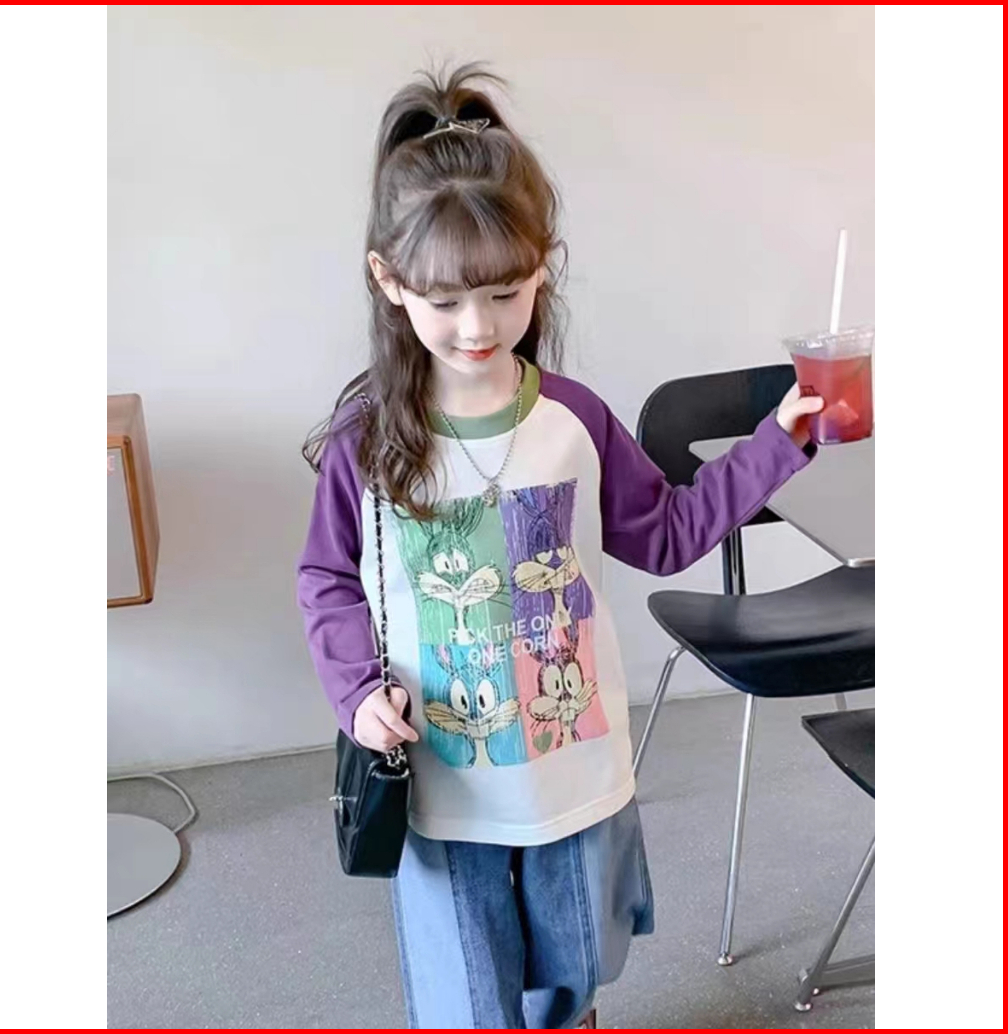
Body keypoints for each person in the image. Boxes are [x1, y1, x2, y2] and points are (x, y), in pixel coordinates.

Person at [297, 65, 822, 1030]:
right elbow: (329, 577)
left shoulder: (573, 418)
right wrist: (355, 692)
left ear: (545, 267)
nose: (477, 327)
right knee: (469, 997)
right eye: (445, 300)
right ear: (389, 280)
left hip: (572, 774)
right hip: (439, 783)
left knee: (574, 973)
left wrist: (777, 442)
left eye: (505, 293)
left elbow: (666, 533)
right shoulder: (367, 440)